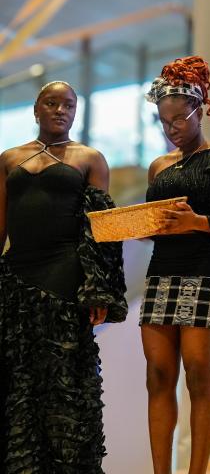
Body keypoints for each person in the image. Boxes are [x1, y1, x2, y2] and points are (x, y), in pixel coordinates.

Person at [0, 80, 127, 473]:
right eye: (51, 103)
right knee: (19, 376)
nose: (60, 110)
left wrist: (99, 290)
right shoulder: (8, 158)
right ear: (36, 110)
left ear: (76, 111)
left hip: (65, 275)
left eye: (68, 104)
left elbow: (101, 230)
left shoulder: (90, 158)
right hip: (17, 275)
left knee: (65, 380)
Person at [140, 56, 210, 474]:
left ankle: (197, 471)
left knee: (199, 372)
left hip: (205, 271)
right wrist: (139, 228)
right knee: (157, 374)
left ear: (200, 109)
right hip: (160, 273)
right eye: (163, 122)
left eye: (178, 120)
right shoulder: (158, 166)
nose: (171, 129)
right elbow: (157, 222)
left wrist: (200, 222)